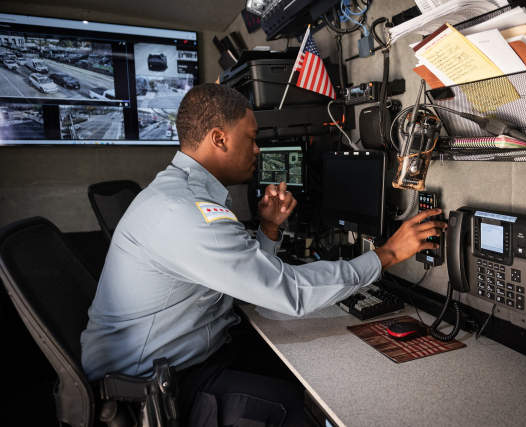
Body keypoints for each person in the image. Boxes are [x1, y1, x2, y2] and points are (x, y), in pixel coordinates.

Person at [81, 84, 447, 426]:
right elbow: (290, 292)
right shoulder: (185, 212)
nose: (257, 150)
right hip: (148, 390)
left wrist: (269, 229)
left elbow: (237, 276)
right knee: (285, 403)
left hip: (176, 359)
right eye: (252, 138)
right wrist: (386, 254)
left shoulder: (182, 196)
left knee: (288, 367)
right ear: (219, 139)